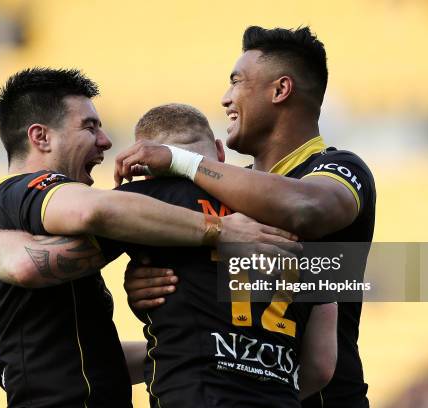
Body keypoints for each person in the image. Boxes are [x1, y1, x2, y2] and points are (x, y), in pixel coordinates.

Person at [0, 103, 338, 408]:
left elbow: (34, 261)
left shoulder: (145, 205)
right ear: (220, 152)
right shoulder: (286, 212)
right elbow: (321, 366)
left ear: (147, 165)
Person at [115, 27, 376, 408]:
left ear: (280, 90)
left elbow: (306, 212)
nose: (225, 99)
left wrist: (182, 161)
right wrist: (172, 279)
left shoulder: (336, 168)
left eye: (236, 82)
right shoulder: (221, 197)